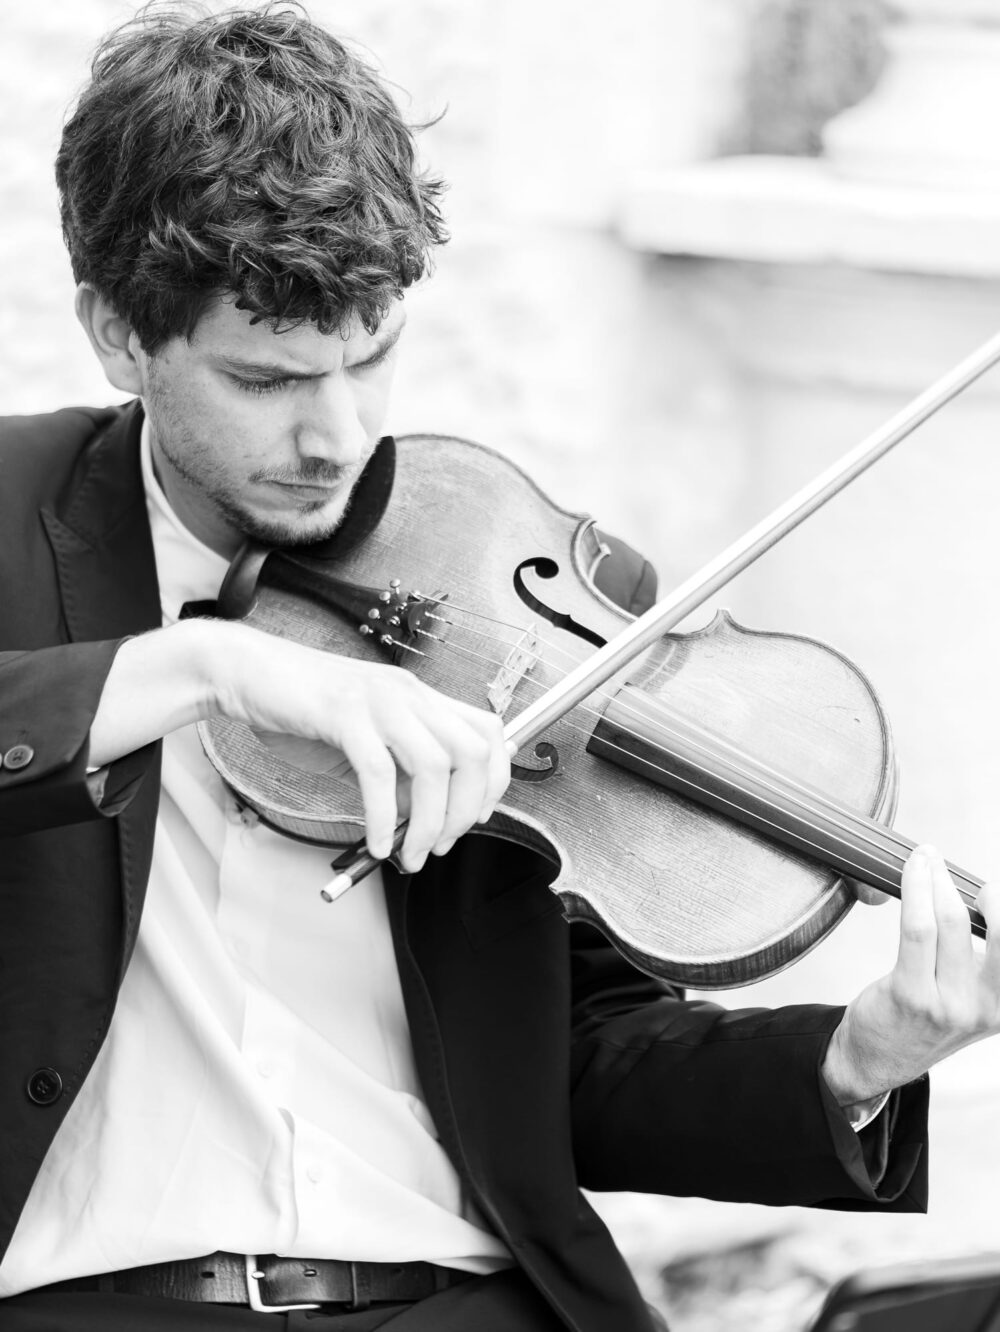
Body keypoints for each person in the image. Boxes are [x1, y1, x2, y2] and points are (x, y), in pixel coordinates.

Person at [0, 5, 997, 1330]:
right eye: (267, 380)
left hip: (456, 1299)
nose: (337, 434)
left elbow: (571, 1061)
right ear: (119, 335)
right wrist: (194, 672)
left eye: (373, 358)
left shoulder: (510, 578)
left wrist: (861, 1060)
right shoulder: (14, 516)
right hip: (94, 1299)